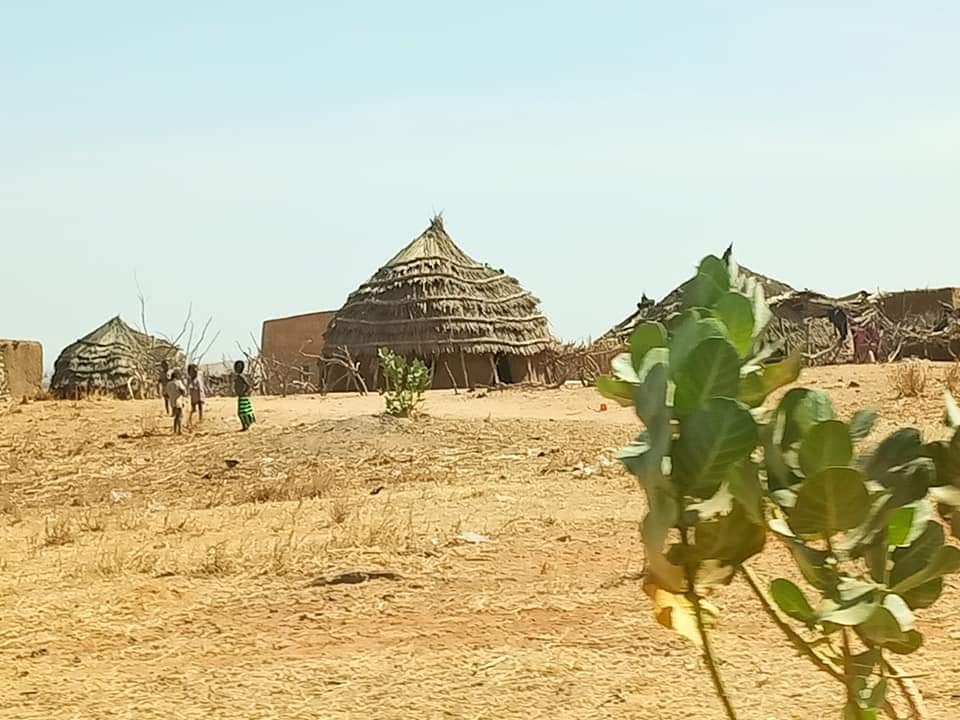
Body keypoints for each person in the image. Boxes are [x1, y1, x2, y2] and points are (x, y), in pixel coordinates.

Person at [234, 360, 256, 431]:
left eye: (239, 367)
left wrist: (245, 392)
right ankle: (245, 425)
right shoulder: (239, 376)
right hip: (241, 396)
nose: (238, 368)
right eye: (237, 367)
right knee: (243, 411)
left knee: (242, 412)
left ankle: (245, 426)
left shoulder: (241, 376)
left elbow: (248, 385)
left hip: (243, 396)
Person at [165, 369, 187, 435]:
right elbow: (183, 391)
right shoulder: (178, 382)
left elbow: (166, 394)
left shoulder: (168, 384)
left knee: (176, 417)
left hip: (172, 402)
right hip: (178, 401)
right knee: (179, 416)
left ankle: (175, 430)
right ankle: (179, 430)